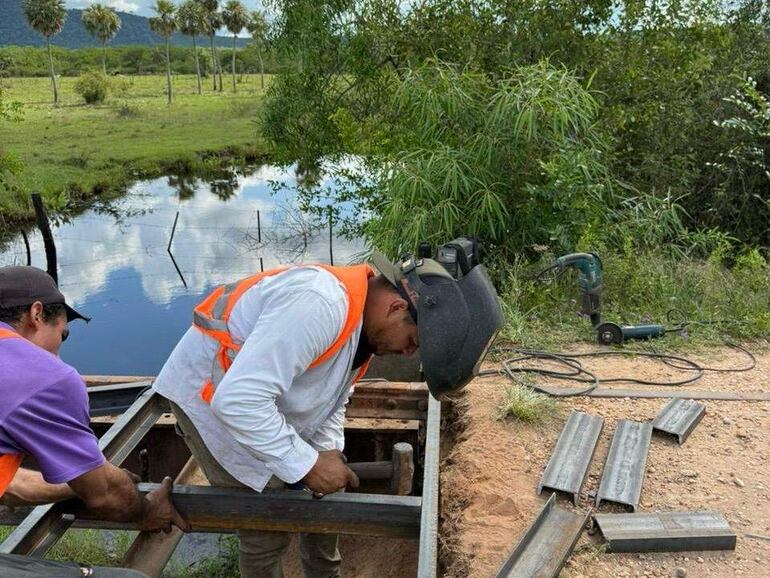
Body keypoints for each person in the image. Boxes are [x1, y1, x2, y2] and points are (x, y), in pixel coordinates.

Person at [152, 246, 503, 578]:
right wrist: (307, 465)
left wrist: (326, 451)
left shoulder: (364, 328)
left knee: (329, 491)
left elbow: (332, 396)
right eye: (412, 341)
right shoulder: (319, 305)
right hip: (211, 398)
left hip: (257, 393)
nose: (409, 354)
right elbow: (238, 401)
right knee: (265, 522)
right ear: (396, 308)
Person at [0, 266, 190, 535]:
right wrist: (146, 508)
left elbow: (10, 486)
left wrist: (78, 480)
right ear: (36, 314)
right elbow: (107, 497)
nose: (58, 355)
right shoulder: (46, 377)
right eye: (63, 335)